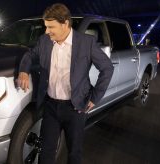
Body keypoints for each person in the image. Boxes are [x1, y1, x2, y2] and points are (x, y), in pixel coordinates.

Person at [17, 3, 114, 164]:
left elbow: (107, 68)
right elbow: (29, 55)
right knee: (46, 150)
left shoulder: (86, 43)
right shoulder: (44, 41)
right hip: (50, 107)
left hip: (75, 108)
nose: (47, 31)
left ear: (65, 24)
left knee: (74, 152)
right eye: (45, 27)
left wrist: (95, 97)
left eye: (51, 27)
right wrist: (23, 71)